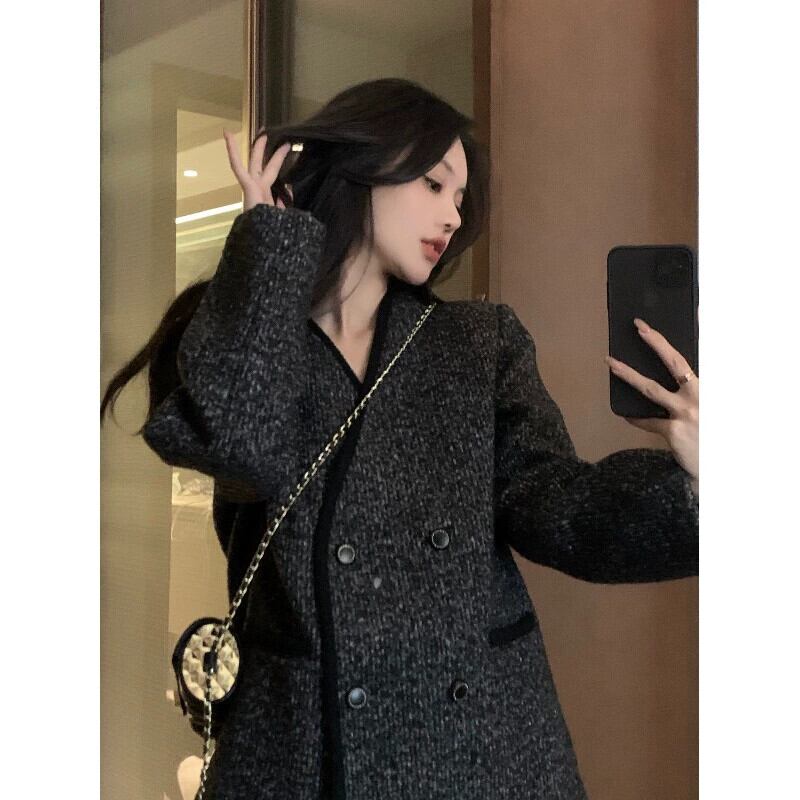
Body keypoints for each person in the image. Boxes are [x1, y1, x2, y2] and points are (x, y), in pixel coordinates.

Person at [101, 77, 699, 800]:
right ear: (364, 167)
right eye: (434, 183)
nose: (453, 214)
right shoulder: (247, 327)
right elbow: (235, 447)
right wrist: (270, 253)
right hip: (299, 747)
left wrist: (698, 482)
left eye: (461, 198)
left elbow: (559, 509)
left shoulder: (475, 343)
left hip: (477, 752)